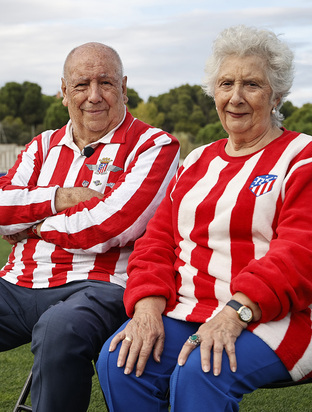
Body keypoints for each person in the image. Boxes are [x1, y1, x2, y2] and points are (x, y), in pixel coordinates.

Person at [96, 25, 312, 412]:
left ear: (276, 94)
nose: (236, 97)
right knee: (119, 363)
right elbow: (157, 242)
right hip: (190, 309)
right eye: (226, 83)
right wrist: (146, 306)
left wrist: (236, 311)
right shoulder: (198, 161)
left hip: (276, 315)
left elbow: (300, 252)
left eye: (252, 85)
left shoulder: (301, 158)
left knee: (202, 371)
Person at [0, 42, 180, 412]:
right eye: (81, 85)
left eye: (106, 83)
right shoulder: (41, 146)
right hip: (17, 283)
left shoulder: (154, 145)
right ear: (64, 92)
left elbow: (113, 225)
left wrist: (31, 227)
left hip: (97, 286)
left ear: (124, 87)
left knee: (59, 330)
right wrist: (61, 198)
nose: (94, 96)